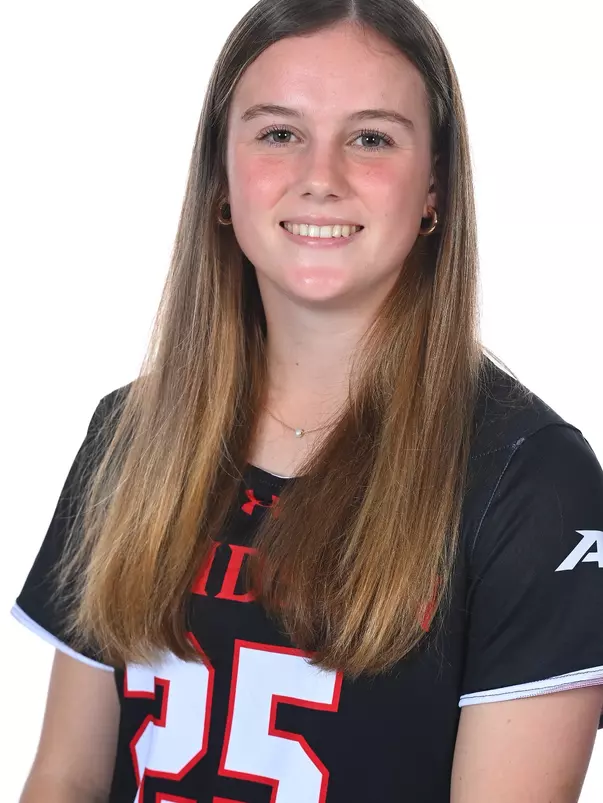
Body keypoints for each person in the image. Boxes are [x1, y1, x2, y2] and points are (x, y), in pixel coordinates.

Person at [11, 1, 603, 801]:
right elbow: (66, 778)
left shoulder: (530, 481)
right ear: (221, 177)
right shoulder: (130, 435)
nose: (319, 178)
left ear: (433, 186)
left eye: (371, 137)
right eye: (278, 132)